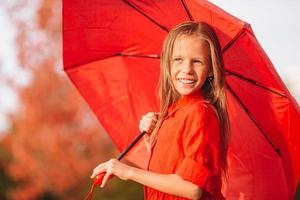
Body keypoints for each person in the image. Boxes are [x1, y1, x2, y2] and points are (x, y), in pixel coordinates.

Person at [90, 21, 230, 200]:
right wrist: (152, 140)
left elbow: (192, 188)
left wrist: (128, 172)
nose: (186, 69)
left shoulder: (200, 113)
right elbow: (168, 168)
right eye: (178, 59)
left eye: (197, 61)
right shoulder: (173, 112)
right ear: (168, 63)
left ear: (211, 69)